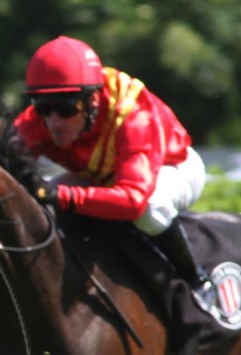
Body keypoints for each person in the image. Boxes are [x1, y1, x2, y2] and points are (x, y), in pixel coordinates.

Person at [13, 36, 208, 290]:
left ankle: (194, 280)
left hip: (172, 169)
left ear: (92, 101)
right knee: (42, 203)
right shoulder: (38, 121)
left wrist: (61, 195)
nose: (54, 122)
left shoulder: (134, 116)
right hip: (102, 177)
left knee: (151, 207)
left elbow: (133, 201)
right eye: (43, 108)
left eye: (66, 108)